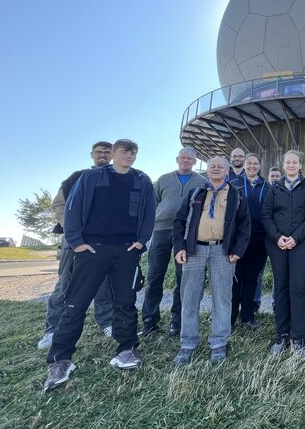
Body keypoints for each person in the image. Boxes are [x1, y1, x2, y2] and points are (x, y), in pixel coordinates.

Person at [43, 139, 155, 392]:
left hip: (126, 249)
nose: (130, 155)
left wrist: (140, 241)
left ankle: (127, 350)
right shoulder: (91, 177)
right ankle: (61, 359)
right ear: (113, 153)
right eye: (125, 151)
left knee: (125, 301)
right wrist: (77, 241)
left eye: (134, 152)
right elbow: (73, 208)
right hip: (93, 248)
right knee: (75, 303)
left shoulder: (142, 180)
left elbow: (149, 212)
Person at [171, 157, 251, 365]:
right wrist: (179, 247)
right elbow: (179, 221)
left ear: (227, 171)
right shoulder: (196, 193)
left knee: (222, 299)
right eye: (212, 166)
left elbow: (245, 225)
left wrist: (237, 251)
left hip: (222, 251)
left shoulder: (236, 194)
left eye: (220, 166)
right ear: (207, 170)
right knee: (189, 297)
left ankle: (218, 343)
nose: (216, 169)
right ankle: (187, 344)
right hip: (194, 250)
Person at [38, 141, 115, 350]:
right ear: (92, 155)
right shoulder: (76, 177)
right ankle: (52, 329)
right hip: (75, 239)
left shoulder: (118, 178)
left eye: (107, 152)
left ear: (113, 155)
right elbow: (58, 203)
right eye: (99, 152)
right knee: (65, 284)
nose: (103, 155)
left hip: (103, 240)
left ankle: (107, 322)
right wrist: (70, 227)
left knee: (103, 284)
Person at [140, 147, 207, 338]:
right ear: (177, 159)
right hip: (161, 230)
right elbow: (152, 203)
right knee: (154, 276)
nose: (186, 160)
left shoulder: (201, 182)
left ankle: (176, 321)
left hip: (186, 233)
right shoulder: (163, 179)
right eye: (183, 157)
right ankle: (150, 320)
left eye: (190, 158)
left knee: (182, 278)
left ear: (195, 161)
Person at [262, 150, 305, 357]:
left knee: (298, 286)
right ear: (284, 165)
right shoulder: (274, 188)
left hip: (301, 243)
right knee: (281, 288)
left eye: (295, 162)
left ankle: (299, 339)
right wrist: (278, 237)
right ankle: (282, 335)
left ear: (300, 165)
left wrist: (295, 237)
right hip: (277, 243)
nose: (292, 165)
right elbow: (266, 215)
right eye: (288, 162)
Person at [230, 153, 269, 330]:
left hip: (259, 239)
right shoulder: (234, 185)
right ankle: (230, 317)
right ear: (244, 166)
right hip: (238, 238)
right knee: (236, 278)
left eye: (255, 163)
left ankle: (247, 316)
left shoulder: (267, 187)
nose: (252, 166)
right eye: (249, 163)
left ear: (260, 166)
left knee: (252, 278)